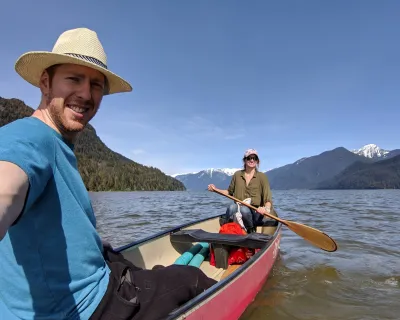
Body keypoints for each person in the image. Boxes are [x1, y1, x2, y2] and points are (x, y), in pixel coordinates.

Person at [0, 27, 216, 320]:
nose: (86, 94)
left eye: (96, 84)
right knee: (189, 278)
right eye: (74, 79)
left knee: (113, 255)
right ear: (45, 82)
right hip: (86, 307)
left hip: (65, 293)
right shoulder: (28, 137)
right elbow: (7, 186)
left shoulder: (57, 143)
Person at [208, 149, 275, 233]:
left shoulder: (262, 177)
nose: (252, 160)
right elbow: (229, 192)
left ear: (257, 161)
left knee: (244, 209)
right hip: (238, 208)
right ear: (245, 160)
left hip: (255, 212)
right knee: (232, 207)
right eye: (249, 158)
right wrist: (215, 189)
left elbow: (267, 199)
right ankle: (227, 230)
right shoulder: (237, 175)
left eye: (254, 158)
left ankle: (251, 231)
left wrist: (266, 209)